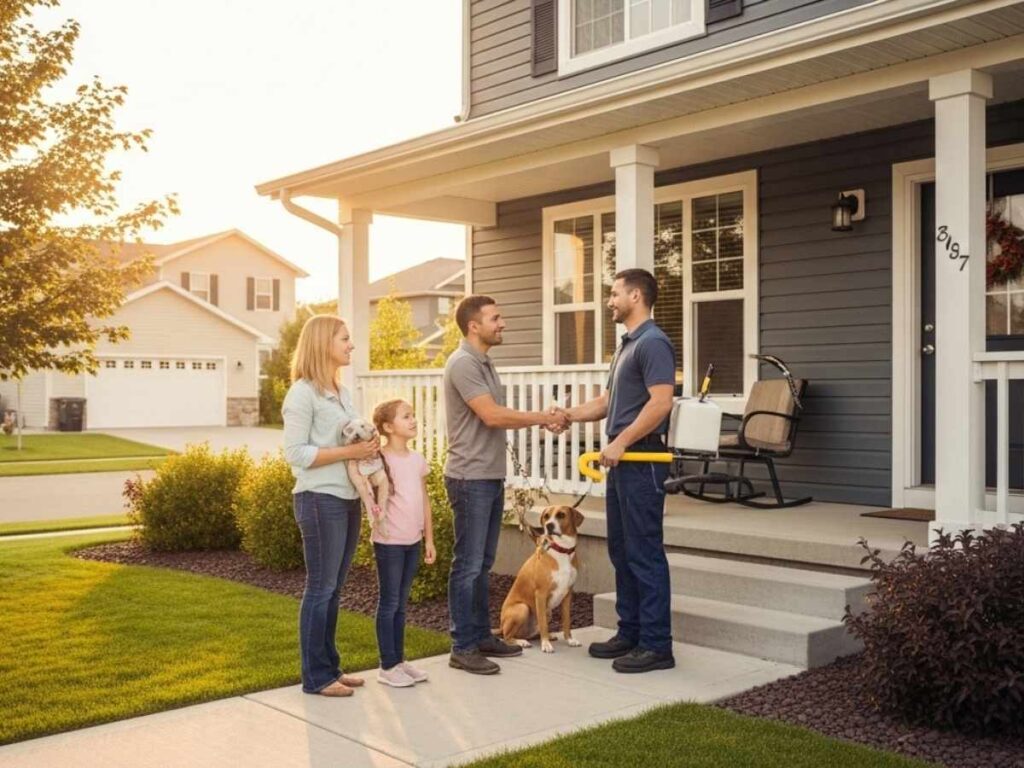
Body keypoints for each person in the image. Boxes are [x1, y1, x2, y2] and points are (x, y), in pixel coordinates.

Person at [557, 269, 677, 674]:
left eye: (614, 293)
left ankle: (657, 645)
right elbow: (608, 402)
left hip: (641, 460)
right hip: (622, 462)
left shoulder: (654, 343)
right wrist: (567, 415)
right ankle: (631, 633)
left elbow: (661, 403)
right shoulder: (627, 345)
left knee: (644, 553)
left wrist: (622, 441)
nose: (609, 300)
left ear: (636, 295)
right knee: (622, 551)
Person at [443, 294, 567, 675]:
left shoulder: (483, 362)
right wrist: (541, 418)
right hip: (469, 477)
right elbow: (492, 416)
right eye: (495, 318)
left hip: (488, 475)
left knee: (481, 563)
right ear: (473, 325)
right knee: (468, 564)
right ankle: (462, 646)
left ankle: (481, 636)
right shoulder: (463, 363)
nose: (503, 323)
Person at [282, 314, 379, 697]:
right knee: (321, 588)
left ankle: (331, 668)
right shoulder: (302, 394)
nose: (350, 345)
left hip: (347, 497)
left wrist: (368, 449)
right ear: (324, 344)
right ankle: (316, 677)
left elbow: (353, 442)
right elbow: (295, 453)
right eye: (344, 338)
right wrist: (350, 451)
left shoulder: (341, 391)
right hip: (319, 499)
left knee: (334, 588)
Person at [370, 398, 437, 688]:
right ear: (387, 427)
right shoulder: (379, 460)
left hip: (413, 540)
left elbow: (424, 500)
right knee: (390, 602)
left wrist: (429, 538)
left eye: (413, 415)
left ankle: (398, 661)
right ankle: (387, 666)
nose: (413, 420)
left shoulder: (417, 460)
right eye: (405, 416)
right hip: (389, 542)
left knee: (401, 604)